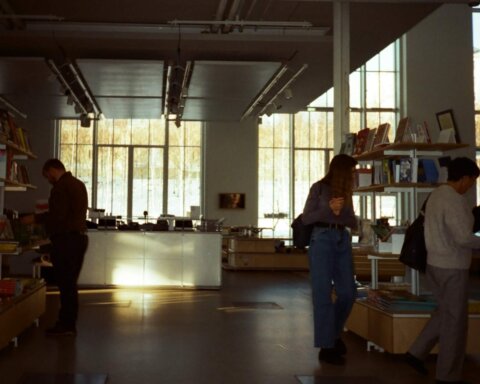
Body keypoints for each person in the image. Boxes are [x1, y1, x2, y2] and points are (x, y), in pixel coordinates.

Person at [405, 157, 480, 384]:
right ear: (464, 178)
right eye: (473, 181)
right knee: (455, 323)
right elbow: (463, 238)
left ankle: (416, 352)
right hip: (452, 267)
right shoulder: (455, 201)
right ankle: (447, 375)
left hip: (434, 265)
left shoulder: (435, 195)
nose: (472, 186)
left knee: (445, 312)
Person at [302, 154, 358, 365]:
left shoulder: (347, 193)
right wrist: (328, 209)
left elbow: (352, 221)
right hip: (322, 240)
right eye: (351, 172)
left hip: (342, 239)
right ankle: (326, 346)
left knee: (348, 292)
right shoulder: (318, 188)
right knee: (322, 294)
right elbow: (307, 217)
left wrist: (340, 212)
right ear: (342, 171)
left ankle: (333, 335)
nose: (354, 175)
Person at [42, 158, 89, 336]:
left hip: (66, 241)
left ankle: (66, 325)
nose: (48, 179)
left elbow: (58, 216)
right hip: (79, 239)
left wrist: (37, 219)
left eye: (47, 175)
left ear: (53, 170)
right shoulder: (78, 184)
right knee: (70, 285)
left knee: (65, 285)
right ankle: (69, 324)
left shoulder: (60, 187)